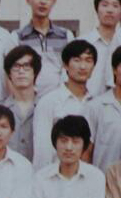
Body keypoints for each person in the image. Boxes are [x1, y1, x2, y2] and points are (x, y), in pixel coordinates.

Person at [32, 39, 96, 170]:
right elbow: (42, 151)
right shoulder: (49, 102)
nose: (83, 66)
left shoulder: (97, 103)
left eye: (88, 60)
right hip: (56, 175)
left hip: (88, 176)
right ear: (65, 65)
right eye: (77, 60)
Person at [12, 0, 72, 96]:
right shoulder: (17, 37)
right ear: (28, 0)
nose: (43, 1)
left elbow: (70, 71)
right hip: (29, 100)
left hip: (59, 100)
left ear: (54, 1)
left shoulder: (66, 36)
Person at [0, 46, 41, 162]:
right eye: (16, 67)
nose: (21, 71)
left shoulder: (46, 107)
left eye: (26, 66)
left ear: (35, 72)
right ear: (9, 73)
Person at [83, 0, 121, 98]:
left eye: (115, 6)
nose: (109, 10)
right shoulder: (83, 42)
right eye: (105, 5)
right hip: (86, 103)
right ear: (97, 9)